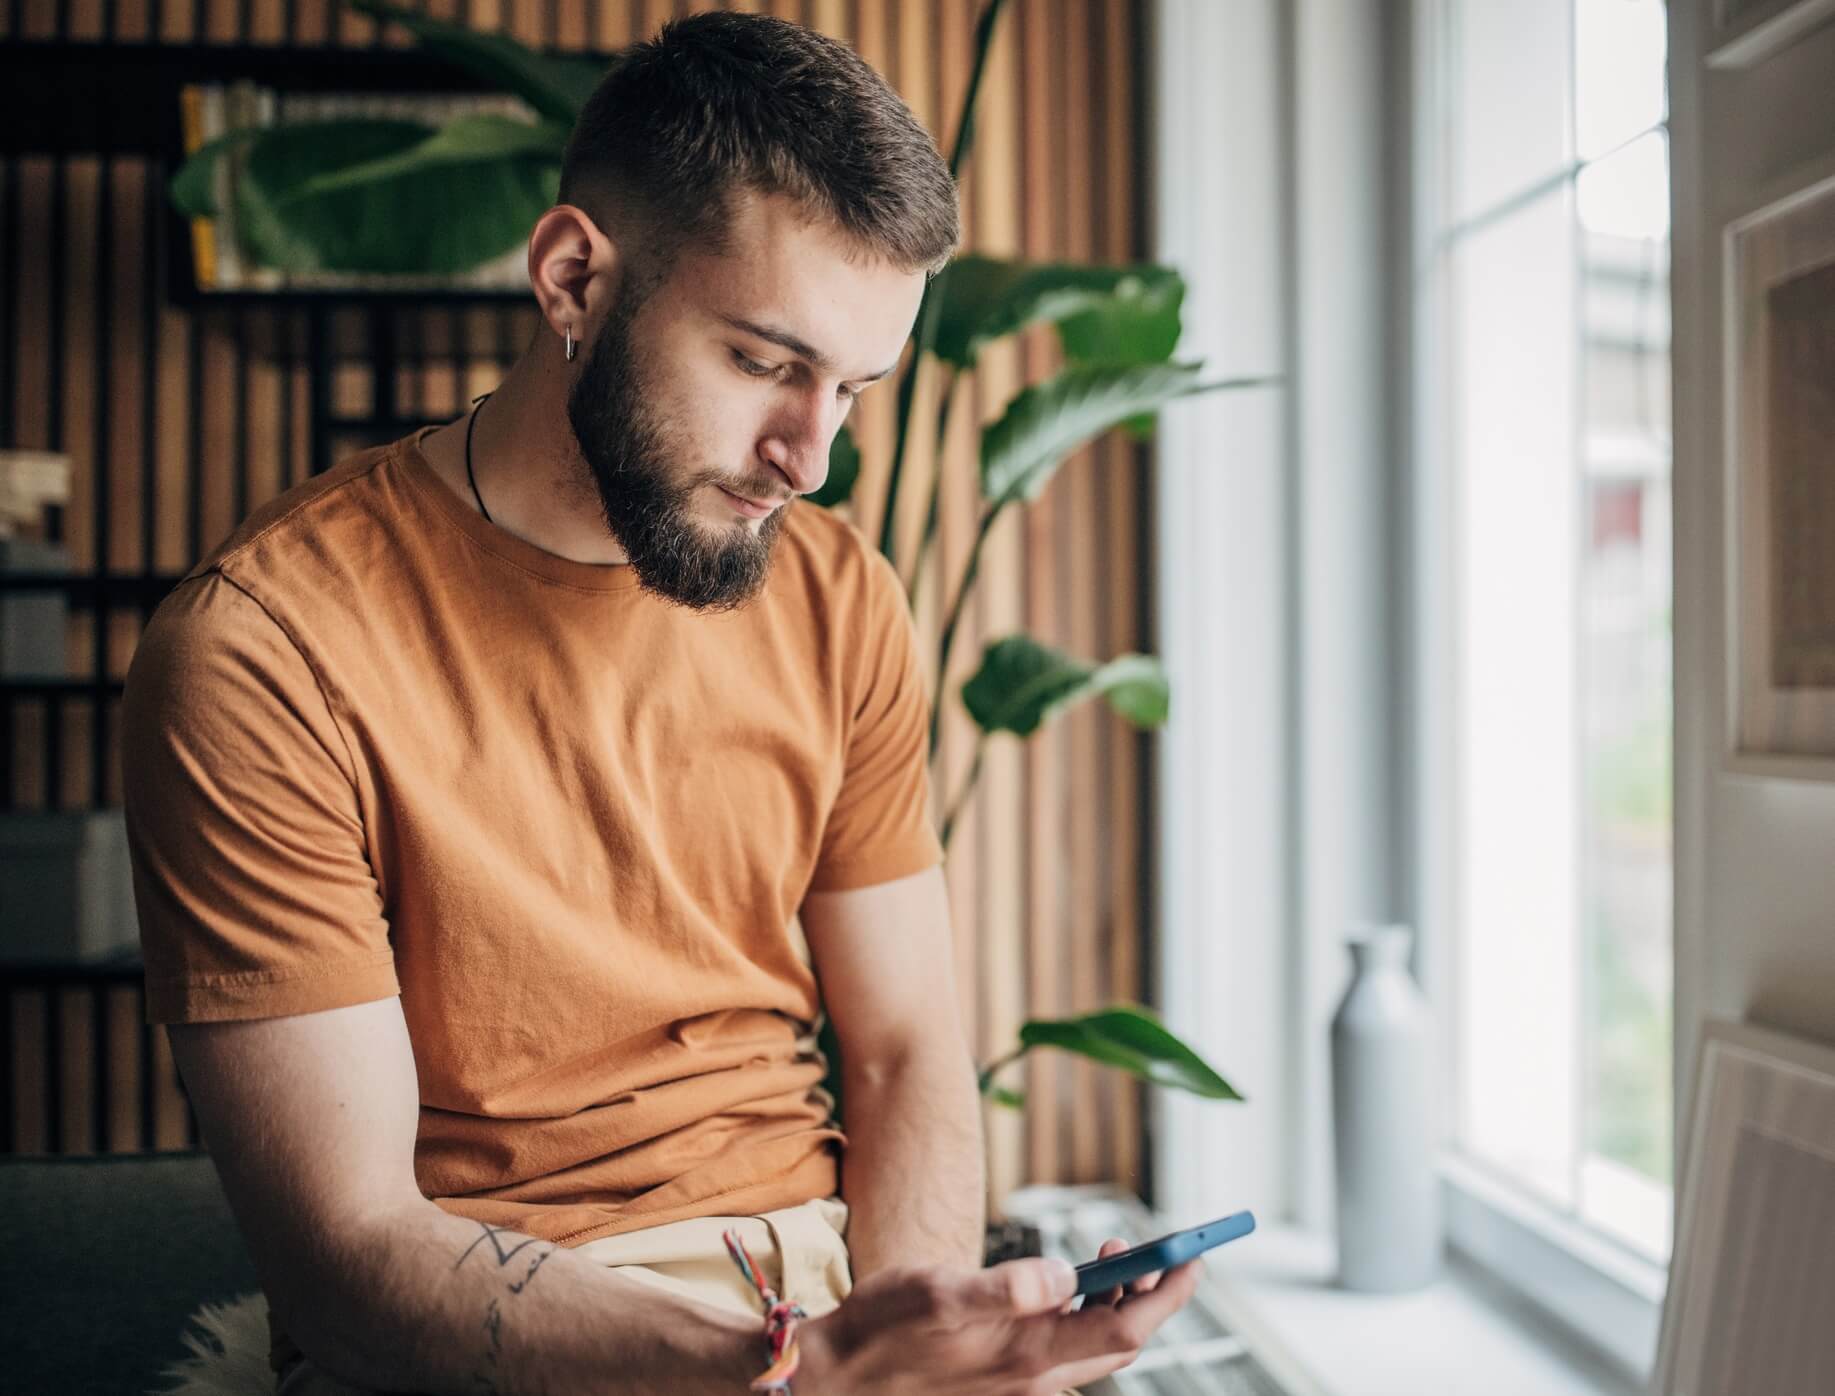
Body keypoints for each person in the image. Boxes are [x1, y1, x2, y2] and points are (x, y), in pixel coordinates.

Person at [121, 12, 1203, 1394]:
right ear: (574, 278)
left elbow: (907, 1052)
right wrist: (791, 1378)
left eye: (856, 391)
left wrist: (925, 1344)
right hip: (500, 1342)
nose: (808, 459)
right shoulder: (263, 656)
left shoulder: (838, 598)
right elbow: (350, 1252)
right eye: (764, 363)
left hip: (821, 1304)